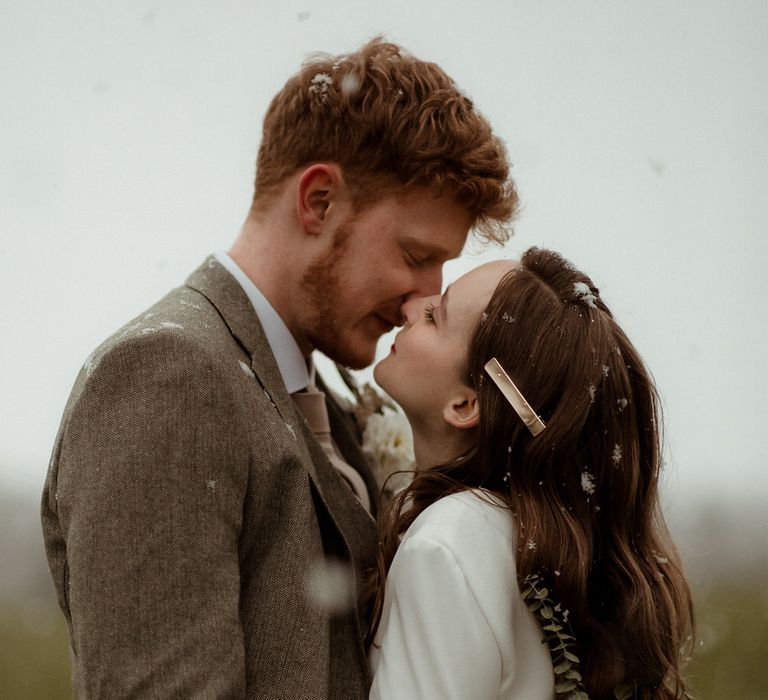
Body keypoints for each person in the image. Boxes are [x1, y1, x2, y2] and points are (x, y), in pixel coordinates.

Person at [40, 38, 518, 698]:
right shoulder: (166, 376)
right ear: (319, 200)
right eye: (414, 255)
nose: (424, 298)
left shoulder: (322, 401)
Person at [368, 249, 695, 699]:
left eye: (434, 317)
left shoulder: (446, 545)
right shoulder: (548, 547)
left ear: (466, 404)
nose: (408, 308)